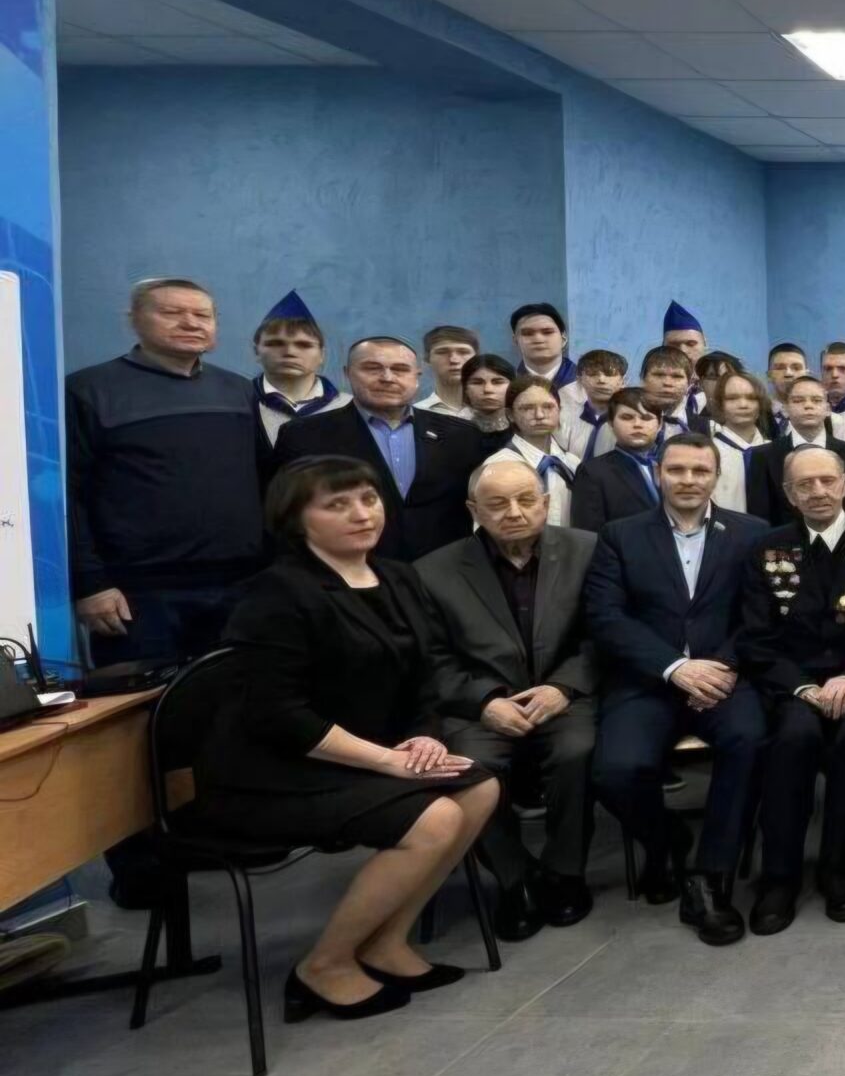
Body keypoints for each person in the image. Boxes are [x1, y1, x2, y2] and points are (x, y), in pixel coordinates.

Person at [196, 457, 501, 1019]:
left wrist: (425, 738)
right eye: (337, 505)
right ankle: (325, 964)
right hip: (275, 772)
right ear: (297, 519)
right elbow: (278, 715)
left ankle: (387, 940)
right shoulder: (276, 593)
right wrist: (385, 761)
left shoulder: (398, 576)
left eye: (368, 499)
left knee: (478, 788)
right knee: (434, 818)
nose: (362, 514)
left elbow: (422, 678)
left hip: (364, 758)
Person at [584, 434, 765, 946]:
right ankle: (668, 840)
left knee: (750, 742)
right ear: (658, 473)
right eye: (677, 470)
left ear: (716, 477)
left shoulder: (751, 533)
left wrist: (722, 666)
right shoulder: (619, 535)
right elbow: (605, 617)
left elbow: (761, 614)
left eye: (700, 471)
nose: (689, 480)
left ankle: (710, 878)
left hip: (725, 679)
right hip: (648, 681)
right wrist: (674, 668)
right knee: (616, 770)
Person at [417, 455, 600, 941]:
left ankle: (564, 872)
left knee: (577, 752)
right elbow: (432, 658)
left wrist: (564, 687)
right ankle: (514, 878)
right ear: (473, 510)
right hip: (480, 707)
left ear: (546, 502)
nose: (514, 512)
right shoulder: (433, 571)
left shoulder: (587, 551)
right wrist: (484, 702)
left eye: (525, 500)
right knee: (469, 768)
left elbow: (602, 634)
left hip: (564, 696)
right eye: (497, 503)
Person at [735, 447, 845, 933]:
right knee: (793, 738)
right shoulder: (766, 549)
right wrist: (802, 686)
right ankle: (779, 877)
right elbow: (756, 637)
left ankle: (840, 869)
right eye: (805, 484)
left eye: (828, 480)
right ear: (789, 494)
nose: (819, 491)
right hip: (794, 685)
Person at [69, 278, 266, 666]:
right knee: (143, 701)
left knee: (235, 694)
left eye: (202, 315)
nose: (190, 323)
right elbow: (67, 495)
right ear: (134, 320)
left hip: (239, 587)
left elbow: (263, 478)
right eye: (172, 313)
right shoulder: (87, 390)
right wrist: (90, 583)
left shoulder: (239, 389)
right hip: (136, 594)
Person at [273, 337, 483, 564]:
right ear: (347, 373)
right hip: (344, 571)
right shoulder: (303, 436)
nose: (387, 378)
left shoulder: (463, 435)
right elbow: (284, 515)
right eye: (372, 368)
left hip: (446, 571)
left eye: (400, 369)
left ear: (417, 377)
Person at [745, 377, 845, 525]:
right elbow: (759, 516)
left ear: (828, 409)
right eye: (798, 401)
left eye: (816, 400)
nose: (808, 406)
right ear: (785, 409)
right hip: (782, 538)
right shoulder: (763, 455)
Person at [250, 290, 346, 444]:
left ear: (322, 355)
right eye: (276, 343)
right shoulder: (238, 403)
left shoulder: (349, 407)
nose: (290, 352)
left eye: (304, 345)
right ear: (257, 351)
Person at [569, 390, 668, 533]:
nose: (637, 424)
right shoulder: (593, 472)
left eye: (646, 418)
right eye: (627, 417)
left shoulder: (676, 467)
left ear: (660, 424)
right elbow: (586, 535)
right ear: (611, 423)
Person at [492, 377, 579, 528]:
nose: (539, 415)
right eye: (527, 408)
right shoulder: (498, 466)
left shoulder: (572, 463)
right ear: (510, 415)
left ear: (559, 410)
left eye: (548, 407)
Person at [705, 371, 771, 515]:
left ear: (760, 405)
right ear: (720, 405)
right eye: (732, 398)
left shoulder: (775, 452)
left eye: (751, 398)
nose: (743, 405)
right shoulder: (707, 453)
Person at [561, 349, 626, 459]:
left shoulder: (632, 420)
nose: (601, 380)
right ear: (579, 380)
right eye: (593, 374)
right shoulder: (563, 417)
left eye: (609, 374)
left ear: (622, 382)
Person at [509, 302, 577, 399]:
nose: (538, 339)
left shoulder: (585, 383)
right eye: (528, 333)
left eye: (547, 332)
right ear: (515, 341)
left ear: (563, 339)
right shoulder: (506, 385)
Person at [416, 326, 479, 420]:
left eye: (463, 352)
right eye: (442, 352)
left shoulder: (494, 413)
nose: (454, 360)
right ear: (427, 359)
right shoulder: (415, 414)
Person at [636, 345, 700, 435]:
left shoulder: (709, 428)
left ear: (689, 383)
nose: (667, 383)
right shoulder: (621, 423)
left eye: (677, 376)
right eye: (659, 375)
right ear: (642, 379)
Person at [459, 354, 518, 442]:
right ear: (465, 389)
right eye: (477, 383)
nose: (488, 389)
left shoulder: (526, 429)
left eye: (497, 382)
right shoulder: (451, 429)